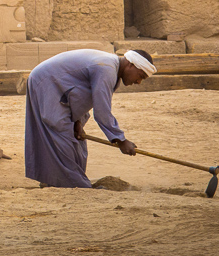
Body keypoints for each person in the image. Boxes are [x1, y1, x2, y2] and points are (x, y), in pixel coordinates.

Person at [23, 48, 155, 188]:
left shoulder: (111, 69)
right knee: (62, 135)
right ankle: (73, 185)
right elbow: (102, 110)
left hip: (59, 88)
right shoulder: (107, 69)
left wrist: (78, 121)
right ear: (131, 65)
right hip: (46, 82)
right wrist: (120, 139)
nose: (139, 81)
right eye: (140, 75)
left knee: (78, 140)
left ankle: (63, 181)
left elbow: (83, 94)